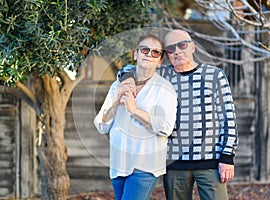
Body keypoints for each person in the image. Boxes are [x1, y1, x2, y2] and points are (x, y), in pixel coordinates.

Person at [117, 29, 238, 200]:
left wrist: (227, 157)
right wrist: (128, 78)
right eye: (171, 49)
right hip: (173, 162)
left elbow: (229, 119)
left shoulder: (214, 75)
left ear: (192, 47)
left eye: (182, 45)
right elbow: (129, 68)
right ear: (166, 55)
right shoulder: (160, 75)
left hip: (211, 162)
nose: (177, 51)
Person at [94, 34, 177, 200]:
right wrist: (116, 100)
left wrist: (133, 110)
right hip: (119, 163)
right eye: (145, 50)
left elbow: (166, 128)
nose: (149, 54)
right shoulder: (118, 85)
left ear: (160, 61)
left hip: (145, 166)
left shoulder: (164, 89)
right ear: (135, 54)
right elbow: (102, 125)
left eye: (155, 53)